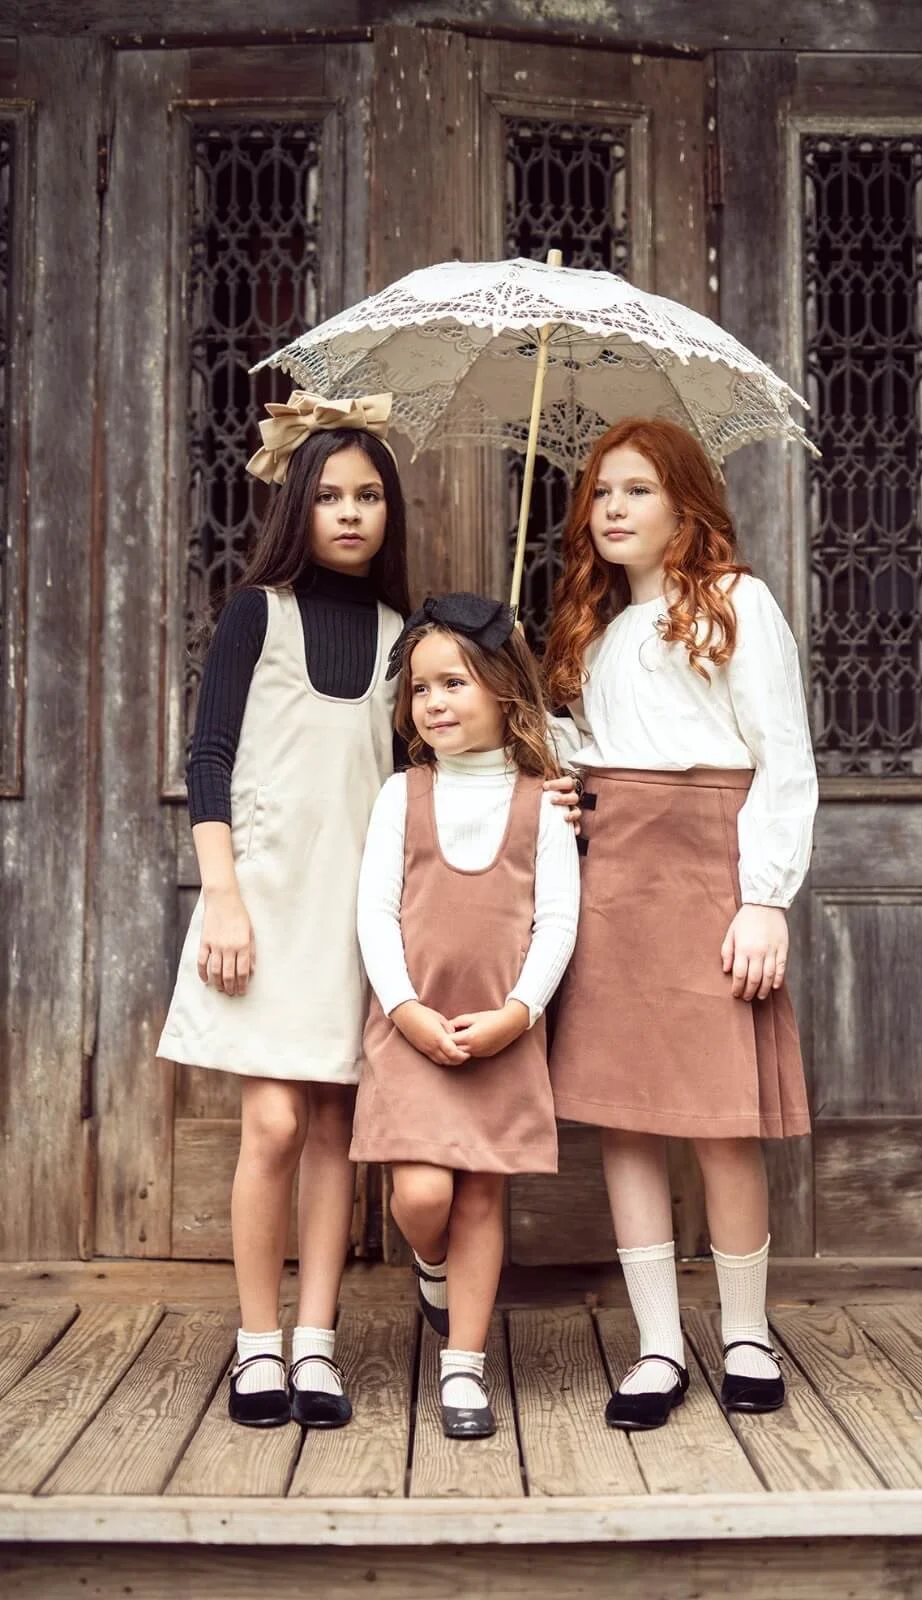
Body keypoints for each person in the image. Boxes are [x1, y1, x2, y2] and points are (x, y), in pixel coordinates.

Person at [542, 417, 817, 1429]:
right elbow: (590, 753)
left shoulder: (737, 604)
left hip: (712, 877)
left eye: (638, 490)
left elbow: (782, 756)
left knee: (721, 1117)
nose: (612, 509)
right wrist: (556, 769)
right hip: (614, 882)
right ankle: (657, 1346)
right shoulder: (596, 629)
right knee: (626, 1116)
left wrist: (764, 898)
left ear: (684, 505)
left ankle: (744, 1333)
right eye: (600, 492)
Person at [158, 391, 409, 1429]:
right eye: (331, 495)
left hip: (355, 913)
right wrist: (220, 897)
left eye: (369, 496)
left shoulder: (401, 635)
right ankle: (256, 1343)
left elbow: (425, 778)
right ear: (298, 505)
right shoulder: (257, 613)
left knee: (336, 1128)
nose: (349, 513)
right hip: (260, 902)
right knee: (272, 1121)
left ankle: (316, 1343)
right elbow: (208, 757)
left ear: (390, 512)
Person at [352, 594, 580, 1439]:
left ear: (503, 689)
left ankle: (463, 1366)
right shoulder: (401, 795)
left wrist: (519, 1014)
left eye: (454, 683)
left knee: (483, 1198)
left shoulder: (542, 802)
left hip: (500, 1032)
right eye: (420, 689)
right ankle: (431, 1262)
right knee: (423, 1196)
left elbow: (557, 921)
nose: (435, 703)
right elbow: (376, 914)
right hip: (413, 1030)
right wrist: (404, 1009)